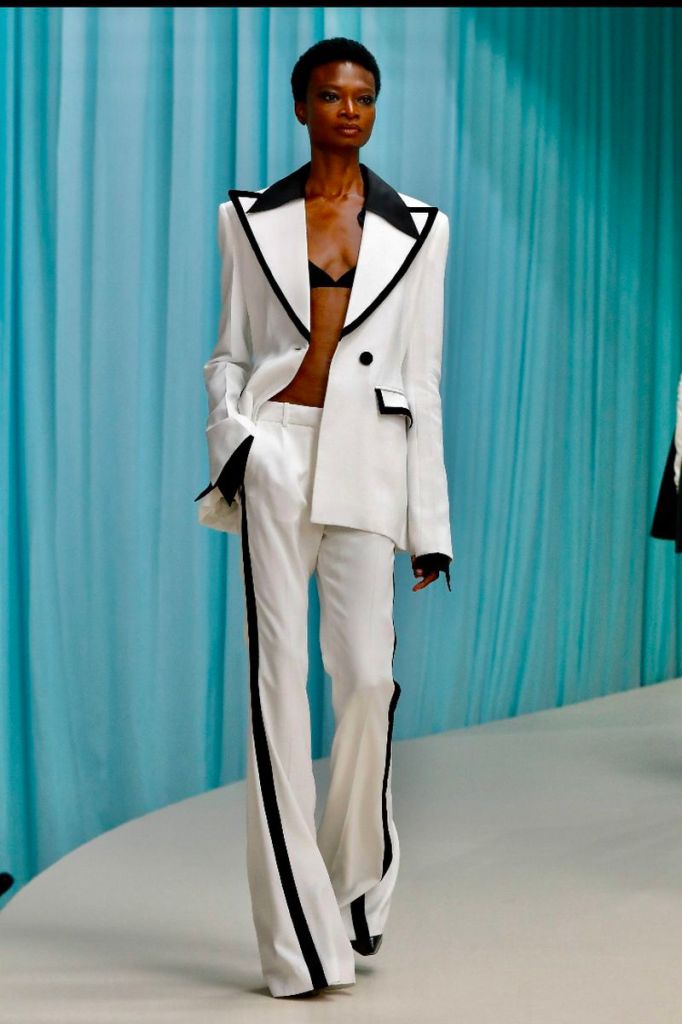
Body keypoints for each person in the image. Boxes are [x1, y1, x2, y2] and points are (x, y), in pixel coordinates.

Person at [194, 37, 453, 998]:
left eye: (365, 97)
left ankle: (353, 875)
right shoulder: (246, 220)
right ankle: (297, 941)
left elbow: (422, 380)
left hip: (369, 462)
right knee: (277, 688)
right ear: (301, 106)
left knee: (366, 680)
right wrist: (238, 444)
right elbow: (229, 352)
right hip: (278, 451)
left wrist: (430, 523)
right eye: (332, 96)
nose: (350, 110)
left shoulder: (422, 228)